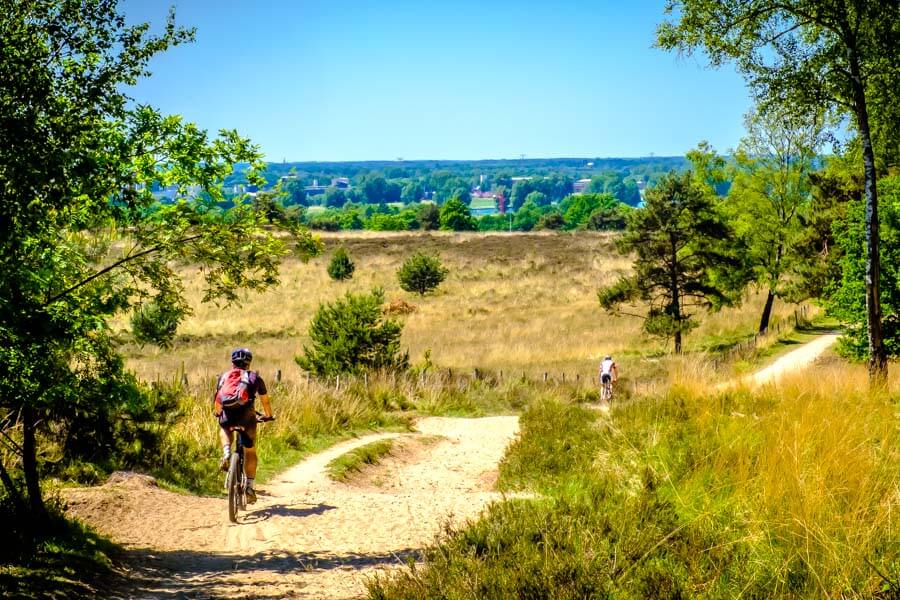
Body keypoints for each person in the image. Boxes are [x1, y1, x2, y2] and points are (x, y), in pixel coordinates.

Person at [214, 348, 273, 504]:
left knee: (224, 428)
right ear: (249, 363)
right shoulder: (255, 378)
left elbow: (218, 401)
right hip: (247, 418)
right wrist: (268, 416)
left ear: (233, 362)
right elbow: (265, 401)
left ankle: (226, 453)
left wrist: (217, 413)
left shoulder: (224, 377)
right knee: (250, 450)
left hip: (228, 415)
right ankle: (249, 486)